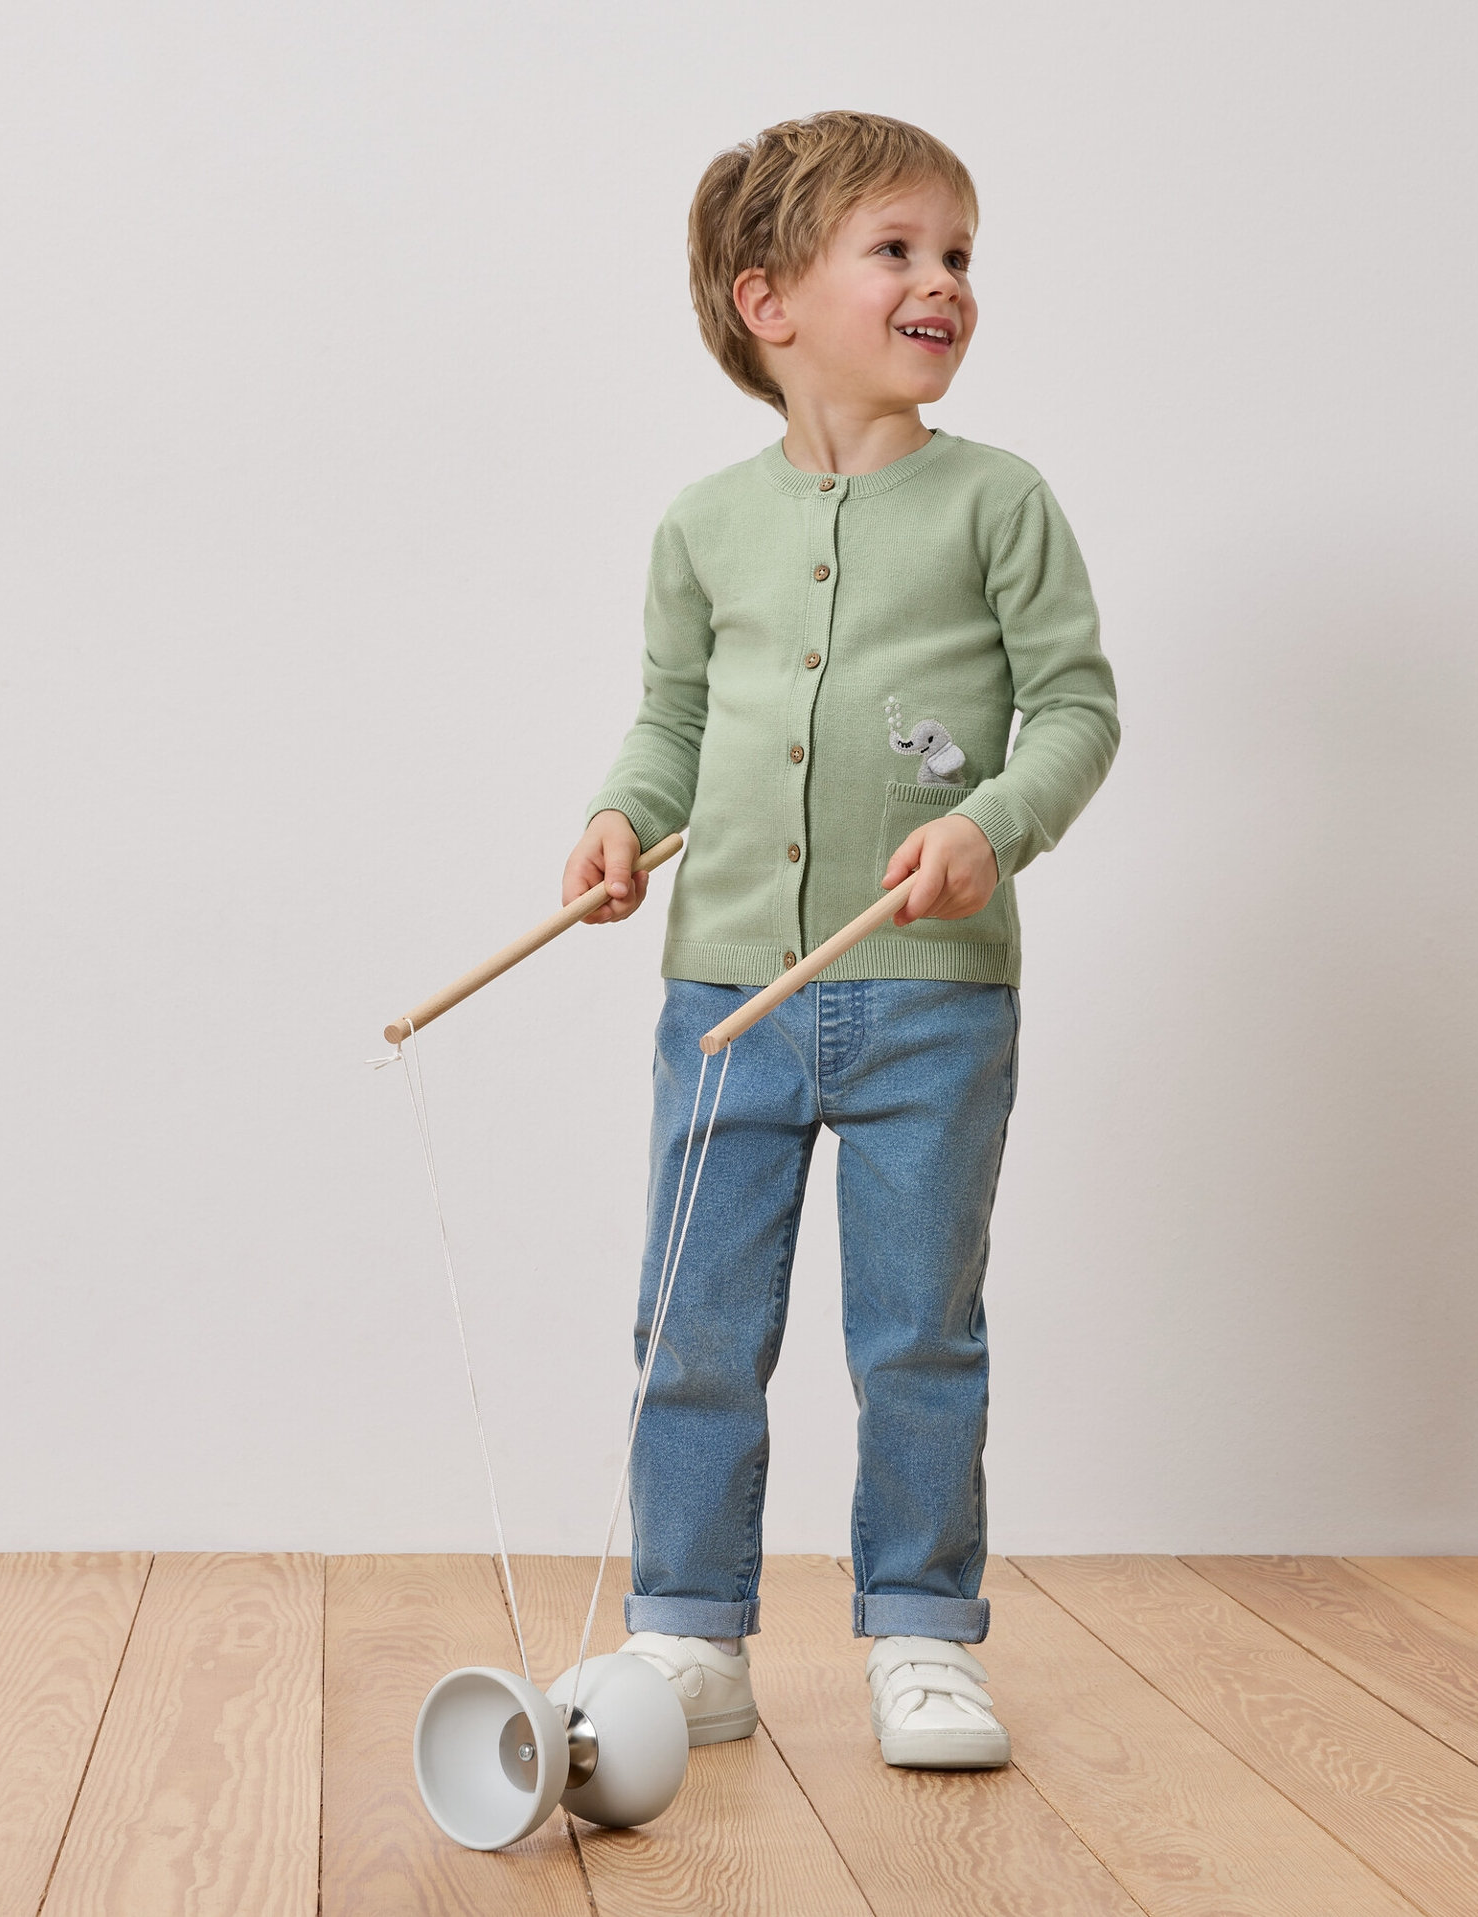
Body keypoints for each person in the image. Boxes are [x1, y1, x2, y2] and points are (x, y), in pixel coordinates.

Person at [559, 110, 1119, 1770]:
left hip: (929, 999)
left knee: (918, 1331)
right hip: (720, 995)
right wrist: (613, 818)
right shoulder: (701, 526)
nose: (941, 282)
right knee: (696, 1322)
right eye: (898, 250)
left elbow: (1075, 710)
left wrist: (991, 827)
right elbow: (671, 724)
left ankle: (923, 1634)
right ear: (769, 302)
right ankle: (688, 1632)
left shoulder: (996, 503)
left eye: (956, 255)